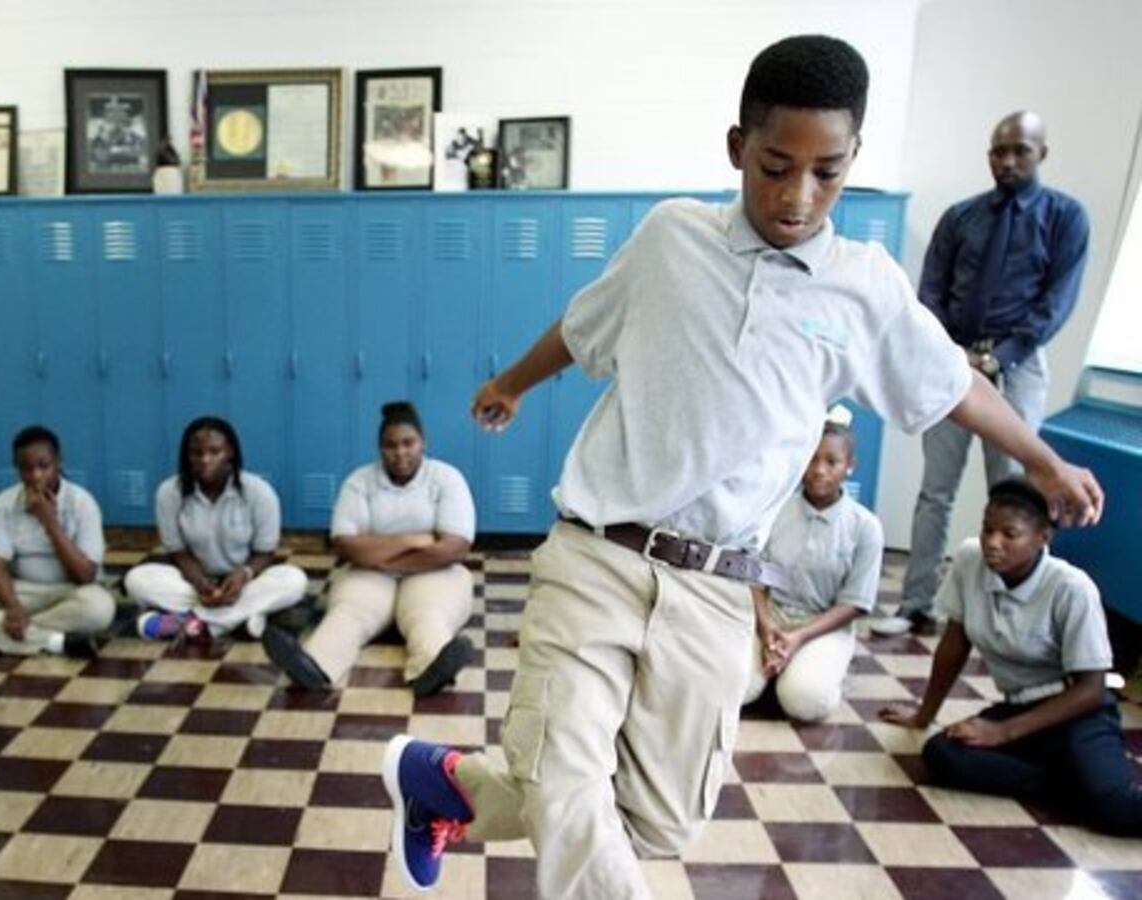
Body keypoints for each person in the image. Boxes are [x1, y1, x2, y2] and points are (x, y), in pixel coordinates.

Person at [377, 35, 1104, 899]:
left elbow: (953, 387)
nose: (798, 195)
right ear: (737, 149)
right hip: (599, 557)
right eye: (774, 166)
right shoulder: (670, 239)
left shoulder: (862, 287)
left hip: (718, 591)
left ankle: (441, 783)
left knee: (656, 821)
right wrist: (510, 384)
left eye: (827, 172)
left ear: (853, 161)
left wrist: (1045, 460)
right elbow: (582, 328)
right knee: (569, 788)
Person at [874, 111, 1090, 637]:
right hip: (953, 362)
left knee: (1015, 493)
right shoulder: (960, 217)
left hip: (1018, 366)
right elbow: (929, 295)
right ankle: (915, 603)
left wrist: (1001, 357)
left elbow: (1056, 302)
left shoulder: (1065, 217)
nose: (1007, 160)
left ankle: (1009, 616)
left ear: (1043, 152)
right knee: (936, 491)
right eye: (998, 151)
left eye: (1019, 150)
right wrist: (952, 355)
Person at [880, 479, 1140, 835]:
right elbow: (955, 645)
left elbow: (1091, 691)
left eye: (1009, 534)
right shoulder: (970, 560)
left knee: (1118, 809)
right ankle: (1075, 787)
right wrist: (924, 715)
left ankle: (1091, 788)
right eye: (987, 529)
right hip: (1020, 707)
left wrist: (1002, 733)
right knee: (943, 755)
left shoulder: (1071, 588)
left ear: (1042, 538)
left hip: (1078, 713)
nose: (992, 543)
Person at [262, 401, 477, 698]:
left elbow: (454, 548)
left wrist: (377, 549)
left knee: (427, 615)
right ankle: (313, 667)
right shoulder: (360, 482)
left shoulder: (446, 479)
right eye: (390, 445)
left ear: (423, 442)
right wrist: (415, 540)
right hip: (372, 574)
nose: (400, 452)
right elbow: (346, 545)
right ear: (379, 447)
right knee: (348, 613)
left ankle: (433, 670)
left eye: (408, 443)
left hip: (435, 572)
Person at [742, 416, 883, 722]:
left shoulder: (865, 527)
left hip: (823, 625)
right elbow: (753, 576)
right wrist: (767, 627)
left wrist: (799, 638)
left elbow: (854, 603)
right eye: (812, 459)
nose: (819, 470)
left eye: (832, 461)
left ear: (850, 466)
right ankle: (776, 667)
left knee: (804, 701)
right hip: (771, 617)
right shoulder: (775, 510)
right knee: (738, 689)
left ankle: (814, 670)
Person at [124, 416, 308, 640]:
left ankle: (197, 624)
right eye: (196, 453)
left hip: (245, 583)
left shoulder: (259, 492)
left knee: (294, 579)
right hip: (194, 583)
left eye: (214, 452)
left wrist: (243, 575)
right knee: (137, 579)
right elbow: (177, 552)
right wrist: (200, 582)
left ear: (230, 452)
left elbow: (265, 553)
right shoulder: (169, 493)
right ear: (186, 456)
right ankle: (241, 619)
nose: (205, 460)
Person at [0, 425, 115, 656]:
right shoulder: (4, 503)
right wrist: (12, 606)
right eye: (26, 469)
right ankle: (53, 641)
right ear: (17, 469)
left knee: (100, 609)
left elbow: (85, 575)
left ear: (58, 462)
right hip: (21, 591)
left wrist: (49, 522)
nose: (36, 476)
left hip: (70, 591)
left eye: (44, 466)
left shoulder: (82, 503)